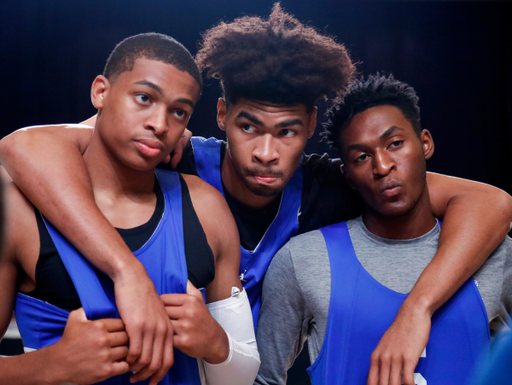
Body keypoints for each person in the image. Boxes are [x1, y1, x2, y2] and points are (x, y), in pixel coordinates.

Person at [1, 4, 512, 383]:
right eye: (248, 127)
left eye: (287, 132)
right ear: (221, 117)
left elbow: (492, 202)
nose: (266, 152)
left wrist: (416, 310)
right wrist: (126, 272)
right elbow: (23, 148)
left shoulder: (331, 182)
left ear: (311, 126)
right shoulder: (176, 158)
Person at [0, 33, 259, 385]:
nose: (159, 123)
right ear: (100, 92)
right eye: (144, 98)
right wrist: (51, 365)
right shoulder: (18, 210)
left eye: (178, 111)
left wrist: (215, 343)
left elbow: (241, 377)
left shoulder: (205, 207)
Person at [255, 74, 512, 385]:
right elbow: (263, 380)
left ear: (425, 143)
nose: (382, 166)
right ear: (347, 175)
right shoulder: (304, 260)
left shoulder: (493, 252)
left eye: (395, 144)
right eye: (362, 156)